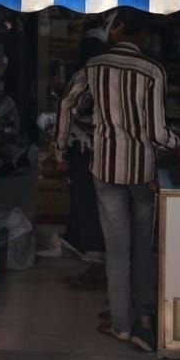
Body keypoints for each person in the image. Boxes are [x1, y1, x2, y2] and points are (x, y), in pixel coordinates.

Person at [56, 9, 178, 352]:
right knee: (144, 246)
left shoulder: (94, 67)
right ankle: (145, 320)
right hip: (142, 170)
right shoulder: (153, 71)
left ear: (120, 29)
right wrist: (179, 145)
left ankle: (122, 326)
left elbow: (67, 105)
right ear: (143, 36)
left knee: (117, 249)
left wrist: (60, 146)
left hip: (105, 169)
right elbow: (157, 132)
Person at [59, 16, 111, 288]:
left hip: (88, 147)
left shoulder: (88, 68)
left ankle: (97, 268)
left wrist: (59, 145)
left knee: (89, 206)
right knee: (96, 208)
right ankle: (100, 268)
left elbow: (69, 106)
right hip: (105, 149)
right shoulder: (110, 65)